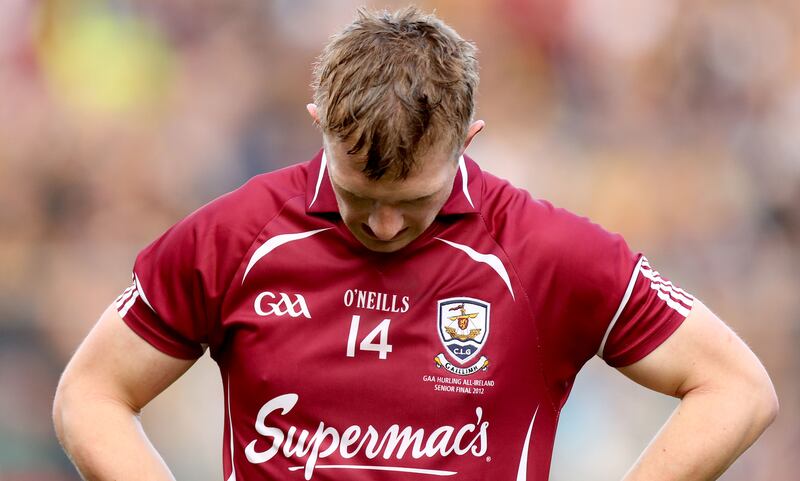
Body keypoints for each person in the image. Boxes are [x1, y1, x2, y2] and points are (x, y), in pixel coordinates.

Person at [52, 7, 778, 481]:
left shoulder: (544, 252)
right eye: (359, 195)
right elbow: (90, 391)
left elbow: (737, 388)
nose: (385, 226)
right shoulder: (236, 237)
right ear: (319, 125)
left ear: (470, 140)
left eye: (412, 201)